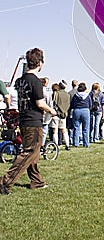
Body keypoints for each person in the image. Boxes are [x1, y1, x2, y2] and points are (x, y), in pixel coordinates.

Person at [0, 47, 57, 195]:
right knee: (30, 152)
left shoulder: (20, 81)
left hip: (23, 120)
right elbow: (40, 104)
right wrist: (51, 110)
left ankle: (36, 181)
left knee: (34, 153)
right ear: (40, 63)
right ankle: (5, 181)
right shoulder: (36, 82)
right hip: (34, 121)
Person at [70, 82, 92, 147]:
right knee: (86, 128)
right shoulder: (87, 96)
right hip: (85, 110)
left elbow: (71, 104)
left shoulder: (75, 96)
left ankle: (76, 143)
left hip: (76, 110)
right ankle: (86, 143)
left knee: (76, 128)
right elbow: (90, 105)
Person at [51, 81, 71, 150]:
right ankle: (67, 145)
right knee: (64, 130)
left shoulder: (56, 93)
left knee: (55, 131)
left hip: (56, 114)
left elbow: (53, 103)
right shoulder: (68, 95)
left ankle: (56, 145)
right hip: (64, 114)